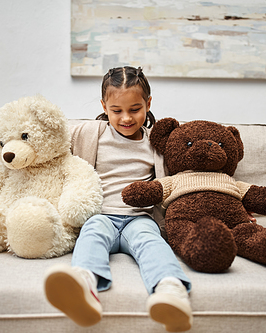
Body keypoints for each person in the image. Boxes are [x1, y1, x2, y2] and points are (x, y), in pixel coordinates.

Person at [44, 66, 193, 332]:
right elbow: (53, 155)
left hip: (140, 218)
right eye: (117, 110)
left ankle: (171, 290)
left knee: (152, 243)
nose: (126, 118)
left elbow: (181, 181)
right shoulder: (92, 134)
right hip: (101, 215)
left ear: (148, 103)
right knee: (91, 235)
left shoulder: (155, 144)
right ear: (104, 105)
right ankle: (83, 284)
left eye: (135, 109)